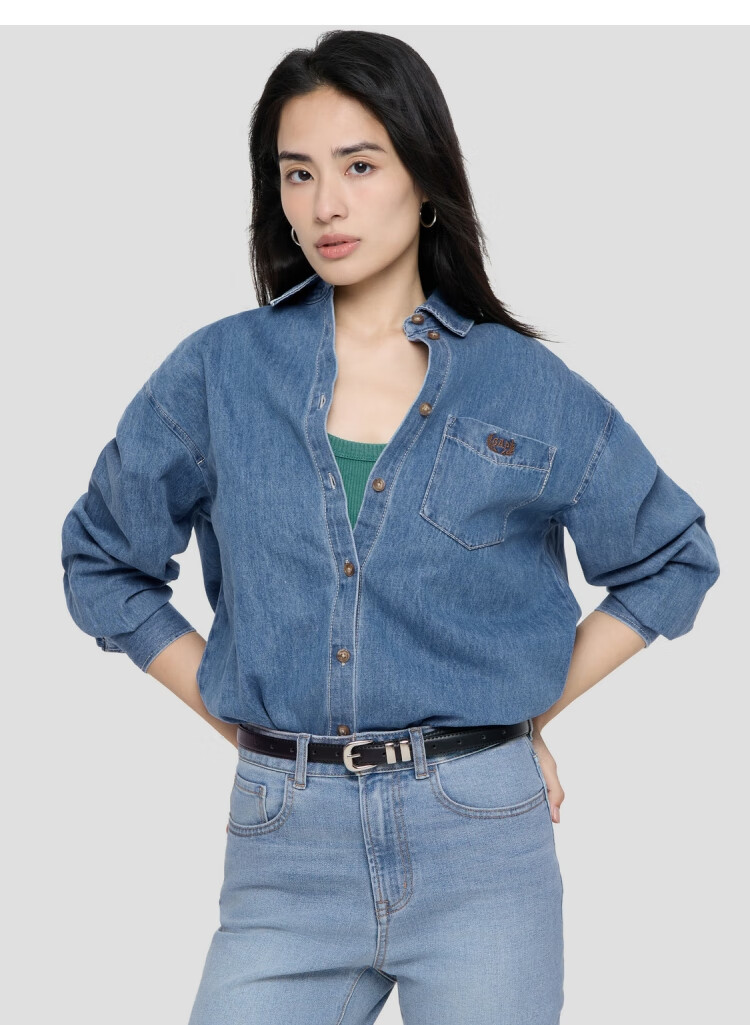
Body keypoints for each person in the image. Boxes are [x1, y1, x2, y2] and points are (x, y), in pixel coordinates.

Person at [60, 29, 720, 1025]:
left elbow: (672, 556)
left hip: (481, 841)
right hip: (283, 849)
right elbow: (102, 562)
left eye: (359, 165)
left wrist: (527, 719)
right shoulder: (217, 372)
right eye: (298, 173)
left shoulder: (522, 383)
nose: (325, 204)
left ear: (424, 175)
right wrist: (238, 715)